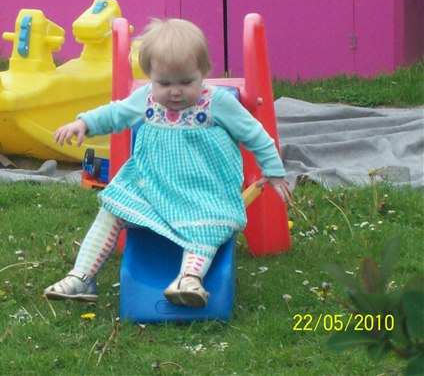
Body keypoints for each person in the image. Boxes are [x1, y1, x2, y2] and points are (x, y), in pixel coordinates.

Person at [43, 18, 291, 308]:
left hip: (204, 192)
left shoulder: (216, 103)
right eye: (164, 83)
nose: (175, 91)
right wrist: (84, 123)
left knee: (209, 226)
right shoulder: (146, 99)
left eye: (186, 82)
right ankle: (82, 276)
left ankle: (189, 279)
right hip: (151, 186)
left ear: (204, 73)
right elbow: (115, 114)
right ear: (150, 75)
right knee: (111, 211)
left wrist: (273, 171)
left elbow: (254, 134)